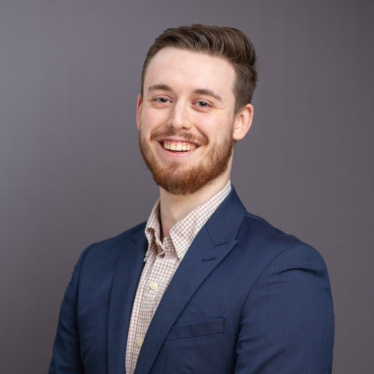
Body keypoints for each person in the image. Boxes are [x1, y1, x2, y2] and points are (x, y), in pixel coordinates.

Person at [49, 24, 334, 374]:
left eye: (202, 103)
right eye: (162, 99)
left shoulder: (284, 272)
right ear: (140, 111)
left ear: (240, 122)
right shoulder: (94, 267)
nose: (177, 120)